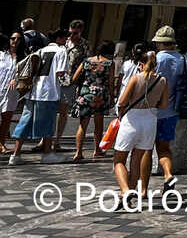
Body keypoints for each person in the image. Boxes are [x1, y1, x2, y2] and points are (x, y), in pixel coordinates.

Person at [112, 50, 168, 207]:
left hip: (132, 120)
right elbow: (164, 105)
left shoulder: (136, 78)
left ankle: (125, 190)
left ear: (141, 64)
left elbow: (122, 101)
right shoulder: (162, 80)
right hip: (150, 119)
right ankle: (129, 197)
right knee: (136, 160)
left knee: (119, 160)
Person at [8, 28, 68, 165]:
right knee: (48, 123)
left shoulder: (41, 50)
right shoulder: (61, 51)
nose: (66, 40)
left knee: (25, 121)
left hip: (34, 91)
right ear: (59, 38)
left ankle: (15, 154)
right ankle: (47, 154)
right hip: (49, 92)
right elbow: (60, 73)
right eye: (65, 38)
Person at [153, 26, 187, 190]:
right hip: (172, 110)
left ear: (159, 43)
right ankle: (168, 174)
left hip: (153, 110)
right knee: (164, 148)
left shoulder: (156, 59)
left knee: (146, 148)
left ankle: (142, 186)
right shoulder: (184, 60)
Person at [71, 41, 115, 162]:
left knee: (83, 124)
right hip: (101, 95)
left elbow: (74, 78)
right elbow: (111, 83)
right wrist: (112, 96)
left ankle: (78, 152)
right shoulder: (109, 63)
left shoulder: (86, 61)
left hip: (85, 94)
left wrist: (84, 83)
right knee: (98, 124)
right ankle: (97, 149)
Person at [55, 18, 87, 152]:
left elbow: (84, 64)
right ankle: (44, 140)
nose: (72, 36)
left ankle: (57, 140)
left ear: (81, 33)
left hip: (70, 82)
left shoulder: (84, 45)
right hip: (55, 79)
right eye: (71, 33)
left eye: (76, 33)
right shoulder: (63, 42)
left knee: (63, 112)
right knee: (51, 110)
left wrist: (77, 81)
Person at [0, 32, 28, 153]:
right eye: (13, 38)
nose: (15, 41)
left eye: (18, 39)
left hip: (12, 91)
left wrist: (16, 79)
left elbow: (26, 74)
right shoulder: (1, 54)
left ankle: (1, 144)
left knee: (6, 118)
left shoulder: (23, 57)